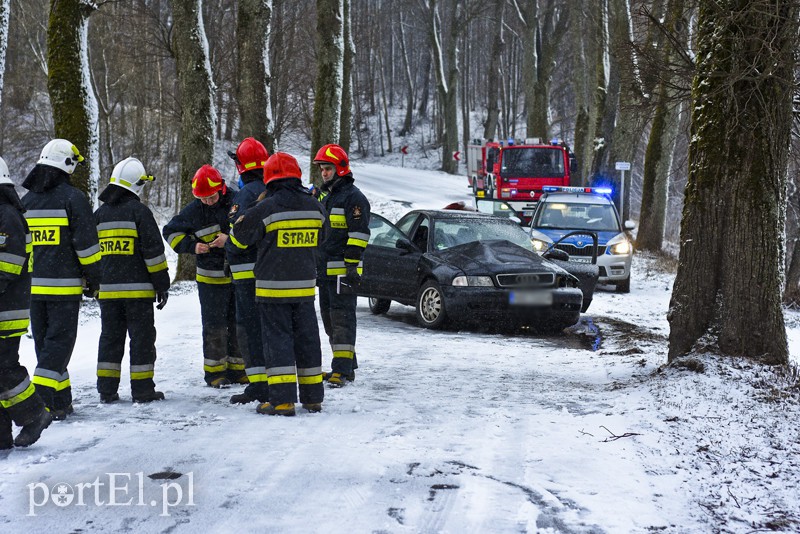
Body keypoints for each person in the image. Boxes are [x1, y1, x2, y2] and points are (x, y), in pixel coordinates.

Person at [232, 152, 326, 416]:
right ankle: (312, 398)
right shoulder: (315, 206)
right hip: (305, 288)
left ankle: (282, 401)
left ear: (269, 178)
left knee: (278, 343)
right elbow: (324, 238)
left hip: (272, 289)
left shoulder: (266, 207)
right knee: (308, 341)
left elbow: (239, 241)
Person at [21, 139, 103, 420]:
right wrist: (94, 278)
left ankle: (60, 403)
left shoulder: (26, 201)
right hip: (63, 289)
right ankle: (38, 405)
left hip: (32, 289)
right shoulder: (73, 199)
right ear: (67, 164)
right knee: (58, 346)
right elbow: (87, 246)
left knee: (45, 346)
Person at [94, 158, 171, 403]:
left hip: (107, 294)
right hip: (138, 295)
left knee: (110, 339)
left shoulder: (98, 215)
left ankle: (107, 390)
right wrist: (162, 284)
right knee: (142, 341)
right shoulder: (140, 212)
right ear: (137, 184)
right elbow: (153, 254)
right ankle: (142, 390)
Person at [163, 165, 244, 388]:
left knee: (238, 322)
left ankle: (239, 370)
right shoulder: (193, 211)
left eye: (211, 197)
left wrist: (228, 238)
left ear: (222, 189)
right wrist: (193, 246)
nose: (208, 201)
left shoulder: (237, 201)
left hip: (237, 276)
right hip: (210, 279)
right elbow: (170, 232)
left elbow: (250, 227)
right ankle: (215, 373)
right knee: (214, 325)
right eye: (203, 198)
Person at [0, 156, 53, 448]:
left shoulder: (7, 216)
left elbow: (7, 265)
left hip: (6, 309)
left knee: (4, 367)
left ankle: (35, 414)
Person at [312, 144, 371, 387]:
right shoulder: (327, 196)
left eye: (328, 168)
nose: (324, 173)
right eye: (323, 169)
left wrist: (350, 265)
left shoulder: (354, 198)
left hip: (343, 271)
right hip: (325, 271)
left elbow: (359, 235)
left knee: (342, 320)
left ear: (341, 169)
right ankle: (345, 364)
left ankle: (342, 370)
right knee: (329, 320)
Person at [226, 138, 270, 405]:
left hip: (245, 276)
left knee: (249, 330)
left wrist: (227, 246)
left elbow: (237, 234)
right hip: (271, 273)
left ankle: (257, 386)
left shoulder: (245, 194)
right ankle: (277, 381)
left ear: (241, 166)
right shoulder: (272, 189)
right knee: (271, 330)